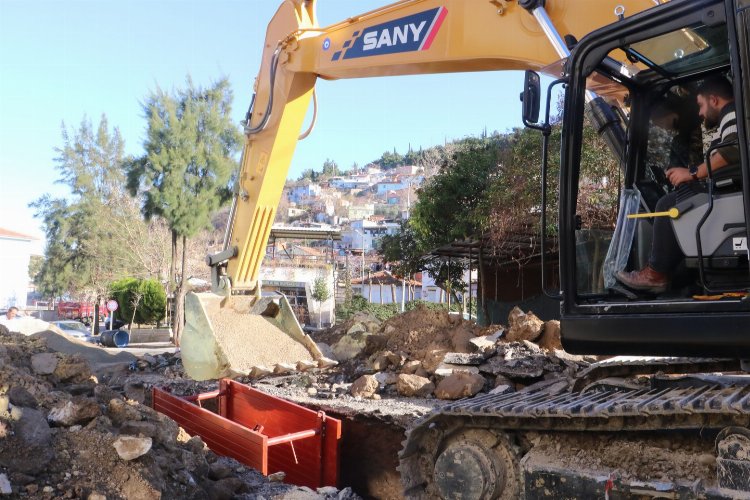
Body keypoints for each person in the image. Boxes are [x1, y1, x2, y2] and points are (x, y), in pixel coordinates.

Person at [616, 76, 738, 293]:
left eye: (701, 105)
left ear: (714, 99)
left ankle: (655, 274)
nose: (700, 113)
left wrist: (692, 173)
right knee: (682, 196)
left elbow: (734, 151)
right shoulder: (729, 118)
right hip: (728, 192)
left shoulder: (732, 113)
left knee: (667, 205)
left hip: (730, 195)